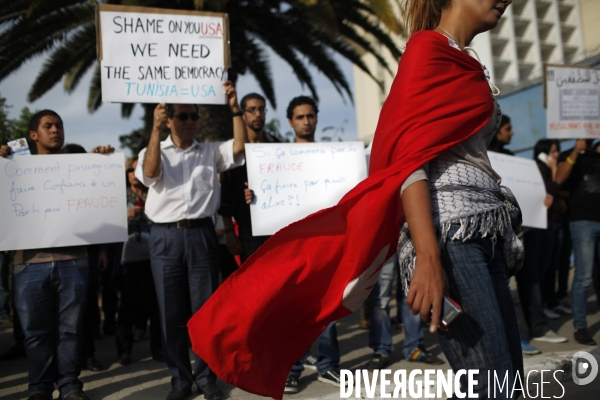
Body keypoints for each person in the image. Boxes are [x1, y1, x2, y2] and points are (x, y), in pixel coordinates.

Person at [395, 1, 524, 397]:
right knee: (491, 388)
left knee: (505, 385)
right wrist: (429, 257)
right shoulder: (425, 49)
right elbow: (407, 156)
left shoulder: (463, 61)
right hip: (451, 238)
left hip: (485, 235)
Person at [135, 81, 247, 400]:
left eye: (193, 117)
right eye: (182, 116)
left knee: (205, 311)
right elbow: (151, 172)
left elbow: (239, 147)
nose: (189, 122)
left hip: (201, 234)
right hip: (164, 238)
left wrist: (234, 107)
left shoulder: (210, 151)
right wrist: (155, 131)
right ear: (168, 120)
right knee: (171, 313)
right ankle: (179, 380)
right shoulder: (152, 149)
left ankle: (206, 378)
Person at [0, 110, 114, 400]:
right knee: (35, 333)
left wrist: (103, 163)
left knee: (71, 330)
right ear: (33, 135)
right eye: (48, 126)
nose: (56, 130)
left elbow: (97, 209)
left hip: (73, 261)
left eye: (59, 125)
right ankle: (39, 388)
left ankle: (70, 386)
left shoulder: (81, 167)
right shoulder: (11, 166)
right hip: (28, 264)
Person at [514, 140, 568, 354]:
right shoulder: (536, 166)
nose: (514, 134)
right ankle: (517, 335)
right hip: (505, 233)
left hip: (525, 231)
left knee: (533, 277)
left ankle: (538, 326)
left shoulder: (511, 157)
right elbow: (554, 187)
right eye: (553, 151)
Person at [219, 93, 280, 263]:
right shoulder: (234, 152)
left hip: (276, 228)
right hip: (247, 230)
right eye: (252, 110)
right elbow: (224, 196)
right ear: (243, 114)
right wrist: (230, 232)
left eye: (261, 109)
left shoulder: (277, 146)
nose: (258, 114)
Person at [115, 156, 163, 365]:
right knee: (127, 306)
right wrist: (125, 216)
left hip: (154, 255)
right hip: (129, 257)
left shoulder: (154, 193)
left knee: (156, 305)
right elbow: (104, 223)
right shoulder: (118, 196)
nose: (134, 175)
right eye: (130, 171)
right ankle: (124, 350)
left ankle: (158, 349)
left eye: (137, 170)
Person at [555, 138, 600, 346]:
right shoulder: (569, 155)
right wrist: (576, 151)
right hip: (583, 222)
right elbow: (558, 179)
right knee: (583, 276)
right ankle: (580, 327)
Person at [366, 257, 443, 370]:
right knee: (381, 299)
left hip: (410, 242)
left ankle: (414, 347)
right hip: (384, 241)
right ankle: (381, 350)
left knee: (412, 294)